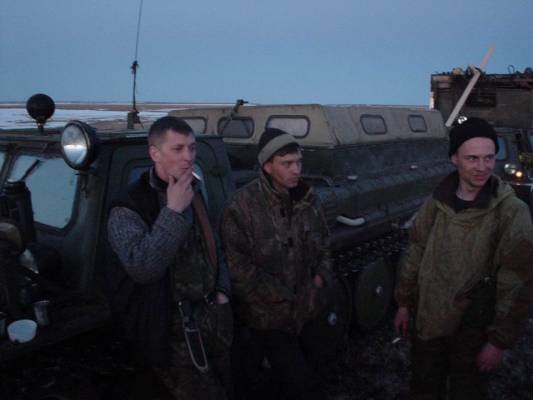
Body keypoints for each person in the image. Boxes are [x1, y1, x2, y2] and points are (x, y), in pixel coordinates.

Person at [394, 117, 533, 399]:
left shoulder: (511, 212)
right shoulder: (436, 203)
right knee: (424, 387)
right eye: (472, 158)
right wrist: (404, 303)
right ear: (454, 159)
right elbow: (416, 252)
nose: (482, 167)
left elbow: (517, 280)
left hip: (474, 330)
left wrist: (498, 341)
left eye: (489, 157)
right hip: (429, 322)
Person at [107, 116, 233, 400]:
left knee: (226, 382)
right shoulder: (128, 206)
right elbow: (142, 267)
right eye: (178, 149)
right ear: (155, 153)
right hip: (173, 328)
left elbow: (214, 244)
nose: (188, 156)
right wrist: (173, 212)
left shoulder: (193, 189)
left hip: (214, 316)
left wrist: (223, 290)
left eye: (192, 148)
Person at [220, 128, 333, 400]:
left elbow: (325, 244)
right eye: (287, 163)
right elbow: (238, 268)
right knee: (289, 384)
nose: (296, 170)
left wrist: (320, 278)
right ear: (267, 166)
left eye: (298, 162)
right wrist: (281, 298)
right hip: (267, 321)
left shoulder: (309, 199)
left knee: (317, 372)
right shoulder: (242, 206)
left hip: (308, 312)